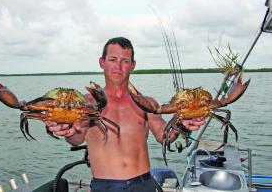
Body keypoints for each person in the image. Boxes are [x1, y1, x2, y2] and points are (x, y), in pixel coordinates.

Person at [46, 37, 205, 192]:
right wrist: (66, 129)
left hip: (143, 183)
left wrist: (181, 123)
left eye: (125, 61)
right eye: (113, 59)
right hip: (105, 186)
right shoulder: (86, 103)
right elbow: (76, 139)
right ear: (102, 62)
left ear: (133, 65)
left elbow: (165, 137)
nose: (118, 66)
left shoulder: (145, 103)